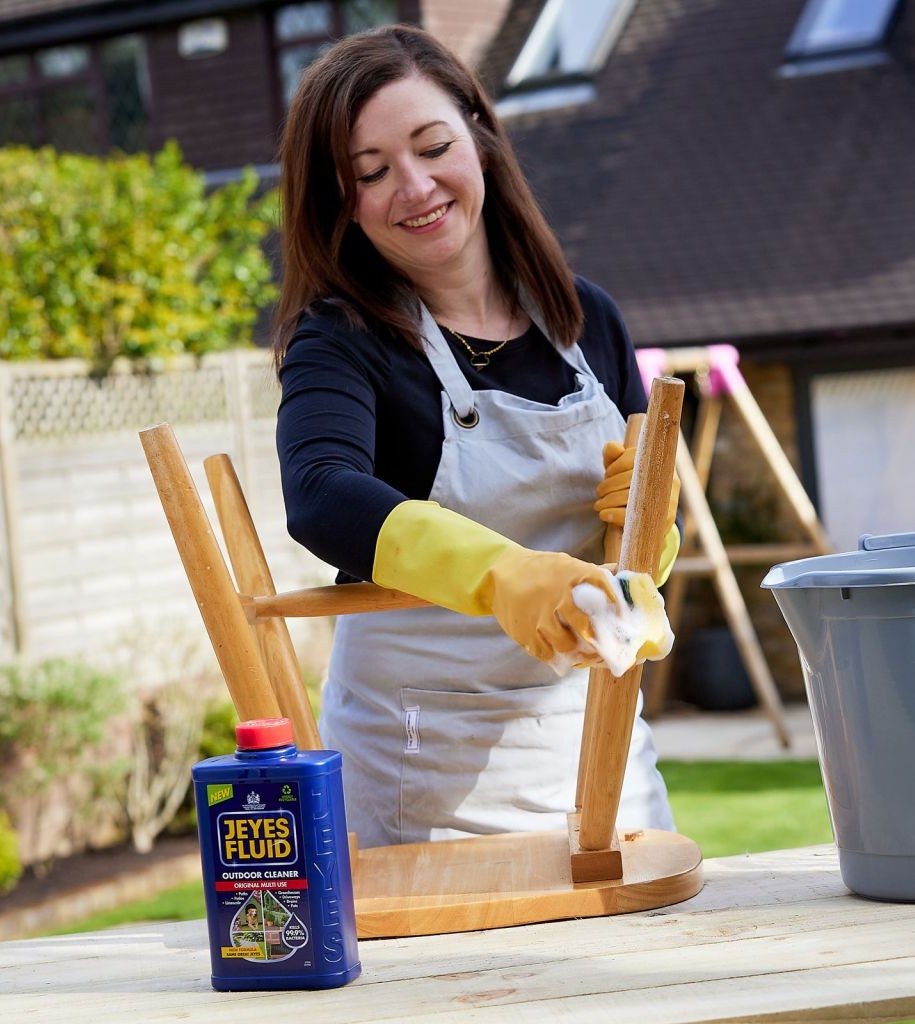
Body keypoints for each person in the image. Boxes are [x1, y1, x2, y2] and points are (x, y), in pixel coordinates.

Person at [272, 25, 681, 848]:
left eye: (432, 147)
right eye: (371, 172)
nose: (415, 186)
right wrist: (504, 576)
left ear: (481, 140)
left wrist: (653, 524)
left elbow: (632, 546)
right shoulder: (341, 339)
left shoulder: (584, 317)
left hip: (600, 758)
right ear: (339, 201)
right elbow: (319, 494)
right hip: (423, 773)